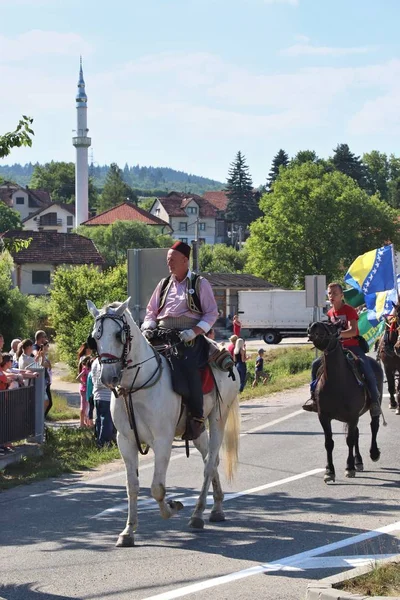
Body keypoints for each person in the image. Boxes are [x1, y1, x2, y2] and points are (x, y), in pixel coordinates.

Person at [141, 240, 218, 440]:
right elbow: (151, 311)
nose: (169, 264)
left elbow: (211, 313)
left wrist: (194, 331)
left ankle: (196, 417)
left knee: (188, 366)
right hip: (162, 332)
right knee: (138, 360)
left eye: (172, 260)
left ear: (185, 260)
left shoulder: (200, 283)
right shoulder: (164, 283)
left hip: (188, 336)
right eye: (168, 260)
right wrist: (148, 325)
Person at [303, 282, 381, 417]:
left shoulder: (349, 310)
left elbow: (353, 331)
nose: (331, 296)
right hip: (335, 348)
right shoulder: (330, 312)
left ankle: (374, 402)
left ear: (341, 295)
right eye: (329, 293)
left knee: (367, 368)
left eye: (334, 293)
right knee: (315, 364)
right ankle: (314, 399)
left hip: (352, 346)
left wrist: (338, 334)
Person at [91, 357, 114, 447]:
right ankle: (104, 442)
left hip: (97, 396)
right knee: (106, 421)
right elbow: (103, 381)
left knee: (99, 420)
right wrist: (112, 385)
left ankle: (99, 439)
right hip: (106, 396)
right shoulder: (104, 362)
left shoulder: (94, 362)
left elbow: (94, 380)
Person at [77, 355, 91, 427]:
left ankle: (87, 422)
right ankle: (81, 423)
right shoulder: (85, 369)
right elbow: (78, 378)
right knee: (83, 407)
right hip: (84, 389)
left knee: (88, 407)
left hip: (89, 389)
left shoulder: (89, 369)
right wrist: (83, 383)